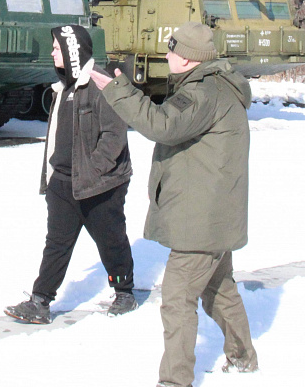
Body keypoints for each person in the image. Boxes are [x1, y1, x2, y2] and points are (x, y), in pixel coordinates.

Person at [90, 21, 258, 387]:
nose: (167, 56)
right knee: (219, 289)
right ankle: (243, 358)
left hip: (202, 220)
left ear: (191, 59)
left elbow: (162, 124)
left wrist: (119, 91)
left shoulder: (203, 92)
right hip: (213, 215)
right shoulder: (214, 86)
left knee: (178, 300)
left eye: (174, 51)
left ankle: (174, 381)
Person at [5, 25, 136, 324]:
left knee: (110, 238)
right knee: (57, 244)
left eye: (56, 47)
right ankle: (40, 301)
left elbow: (114, 136)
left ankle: (124, 291)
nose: (52, 52)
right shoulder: (62, 87)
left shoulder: (101, 84)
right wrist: (52, 176)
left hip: (101, 184)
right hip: (63, 182)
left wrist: (92, 171)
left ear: (72, 51)